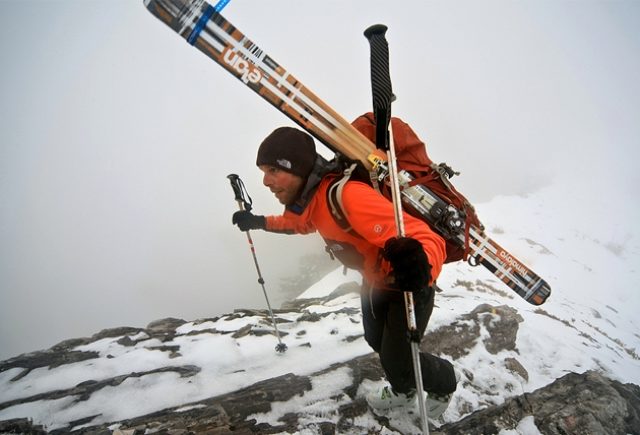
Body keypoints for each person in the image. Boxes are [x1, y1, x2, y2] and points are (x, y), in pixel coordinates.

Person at [232, 126, 459, 417]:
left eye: (273, 170)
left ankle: (442, 382)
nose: (265, 181)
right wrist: (258, 222)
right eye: (264, 171)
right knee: (375, 340)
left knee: (398, 359)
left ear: (298, 168)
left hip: (408, 286)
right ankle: (405, 386)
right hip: (375, 283)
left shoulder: (347, 196)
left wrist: (420, 266)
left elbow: (425, 237)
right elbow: (298, 224)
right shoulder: (312, 202)